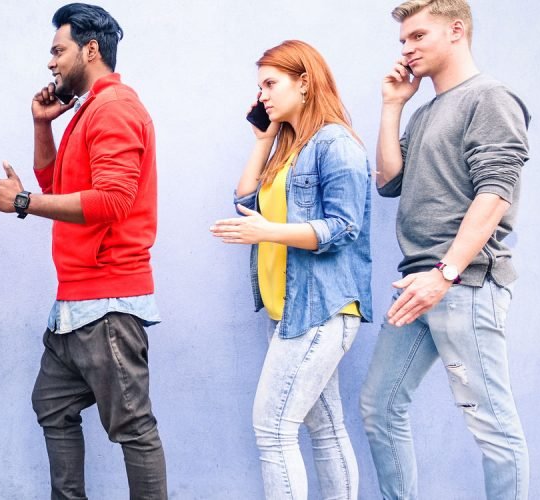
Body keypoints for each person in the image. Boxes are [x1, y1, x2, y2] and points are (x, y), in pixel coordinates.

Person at [0, 3, 166, 498]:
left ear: (90, 50)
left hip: (108, 303)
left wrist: (22, 202)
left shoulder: (115, 109)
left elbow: (111, 201)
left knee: (133, 428)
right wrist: (42, 125)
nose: (50, 62)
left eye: (58, 50)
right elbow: (58, 187)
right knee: (52, 404)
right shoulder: (88, 111)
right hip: (75, 305)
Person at [359, 1, 531, 498]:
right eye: (403, 41)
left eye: (417, 36)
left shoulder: (490, 98)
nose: (406, 50)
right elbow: (388, 182)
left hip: (463, 282)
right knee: (379, 407)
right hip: (419, 283)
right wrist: (393, 105)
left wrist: (446, 273)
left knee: (492, 426)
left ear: (457, 31)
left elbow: (495, 194)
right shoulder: (426, 112)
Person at [210, 40, 372, 500]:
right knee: (327, 428)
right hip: (287, 310)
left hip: (320, 310)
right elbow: (246, 203)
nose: (261, 95)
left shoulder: (336, 144)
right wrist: (263, 141)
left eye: (270, 84)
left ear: (304, 82)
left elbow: (344, 227)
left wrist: (269, 232)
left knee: (273, 429)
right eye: (260, 86)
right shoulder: (288, 148)